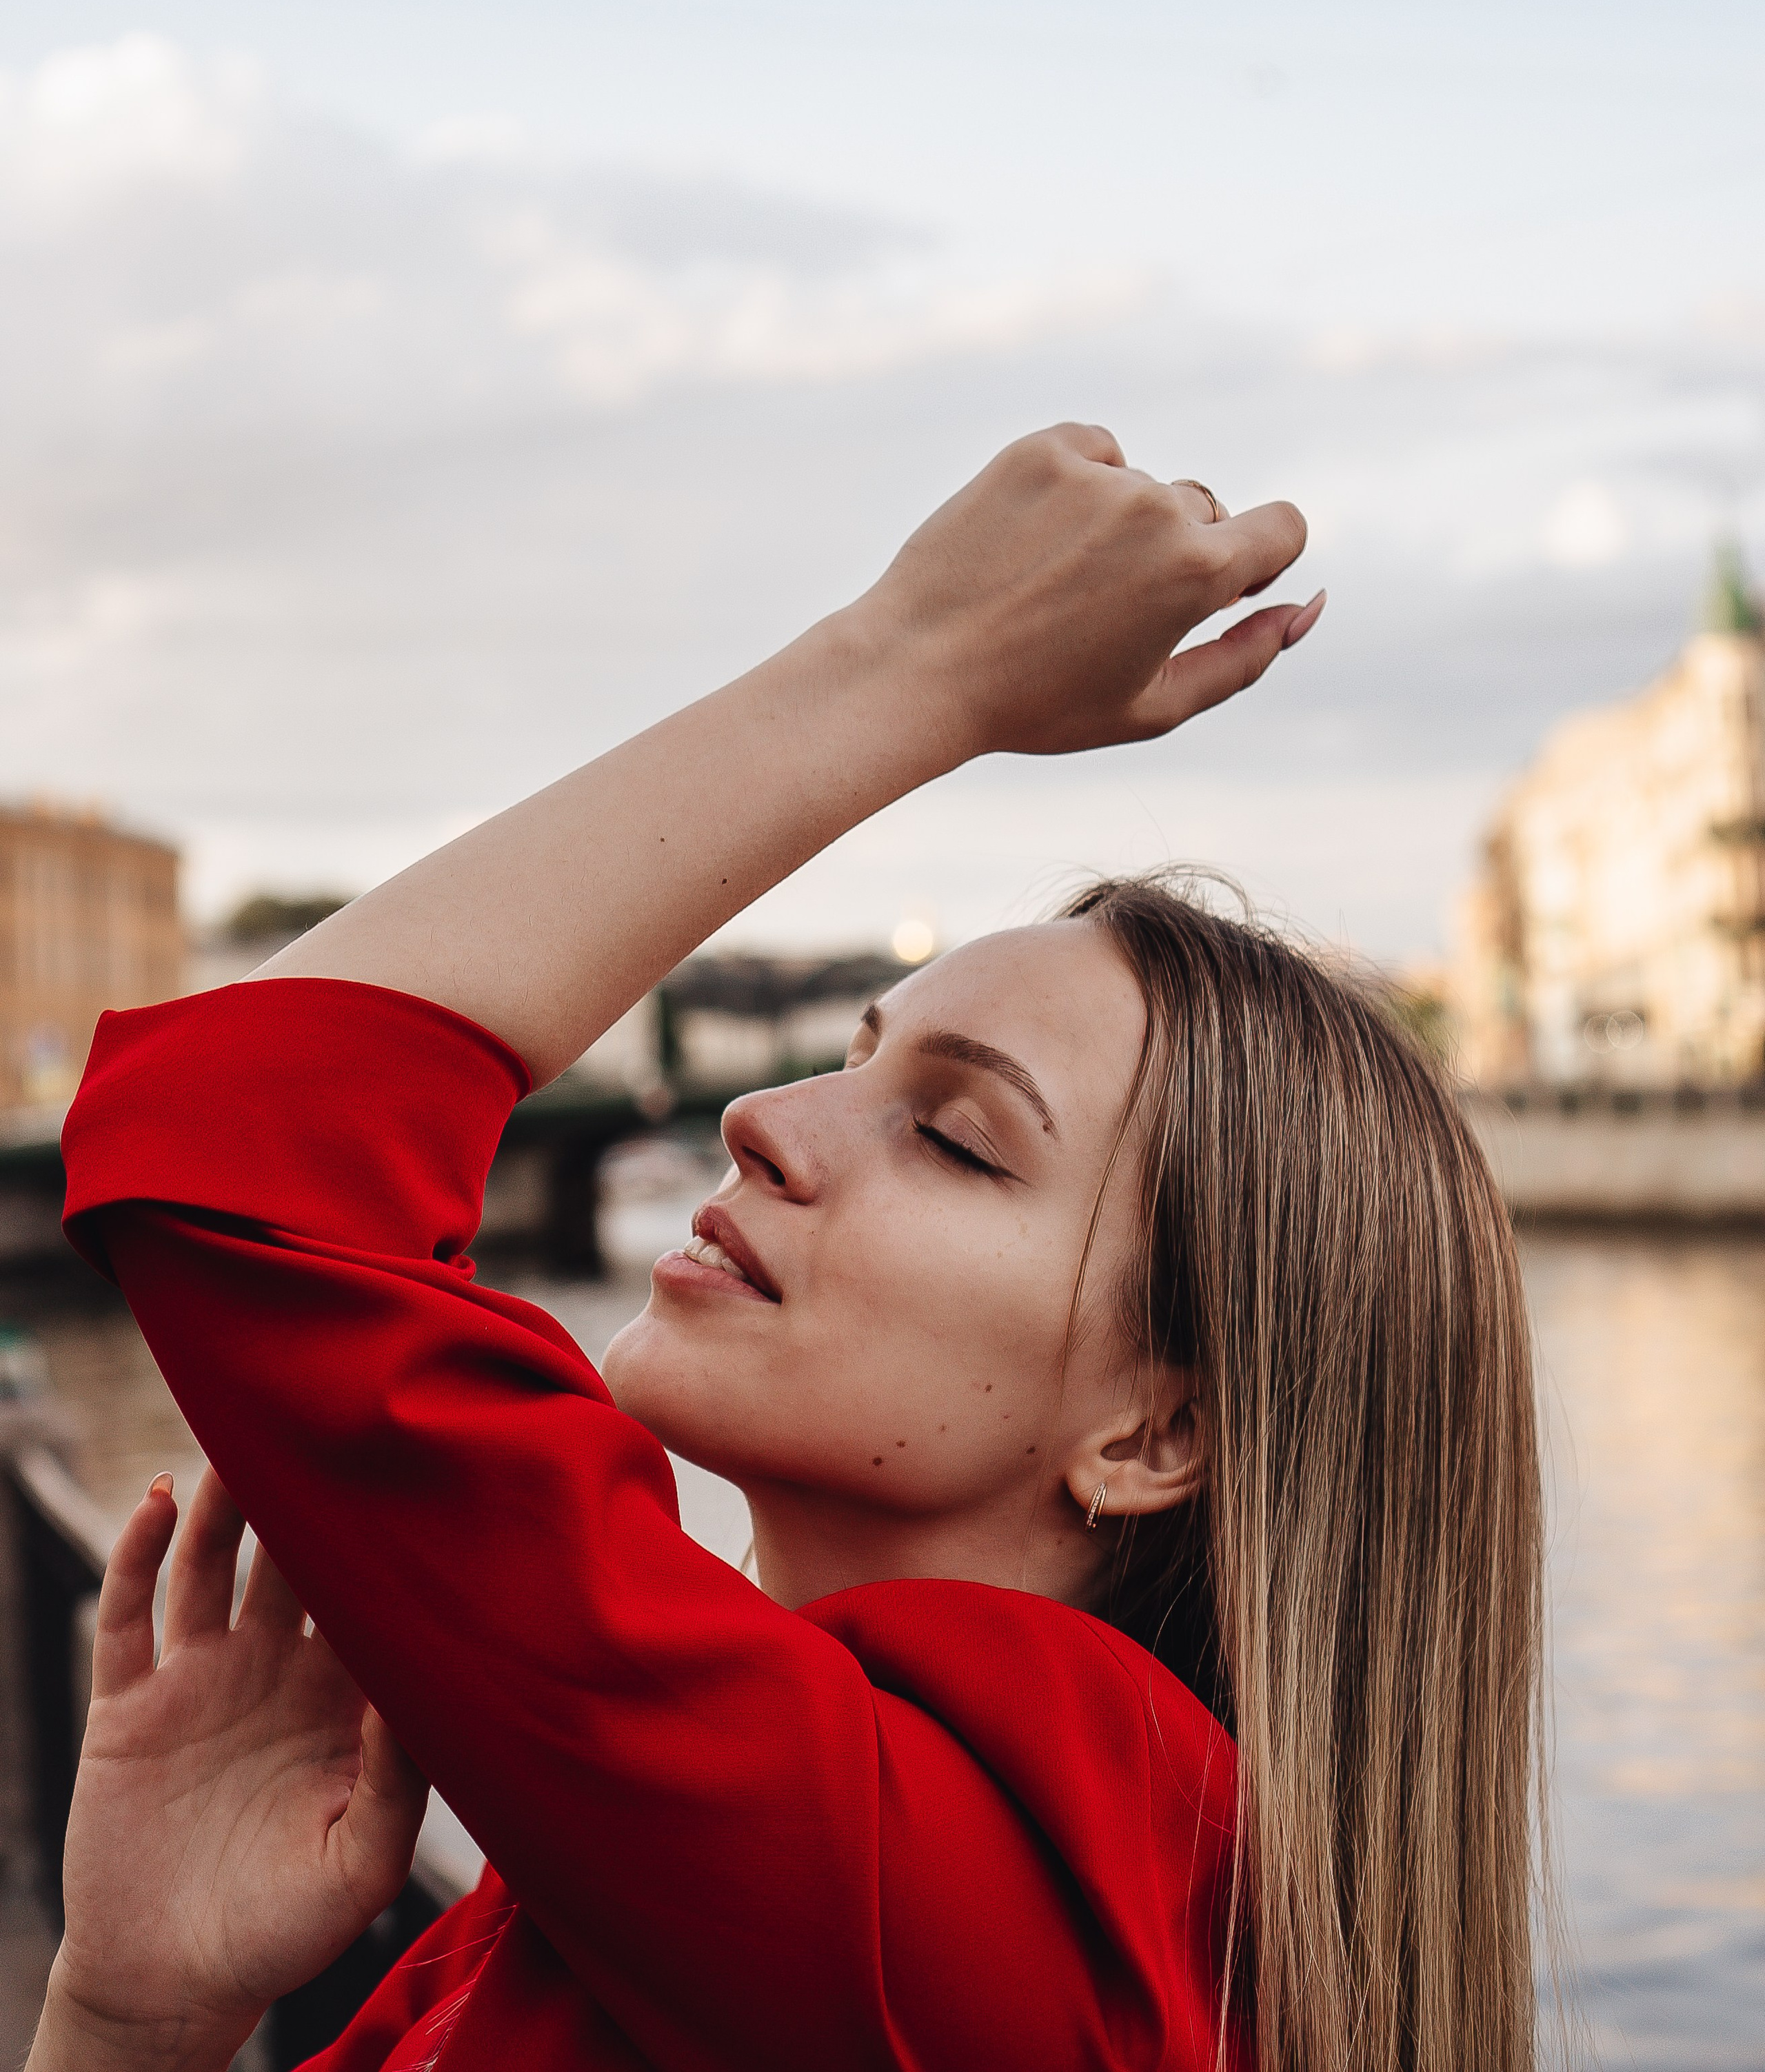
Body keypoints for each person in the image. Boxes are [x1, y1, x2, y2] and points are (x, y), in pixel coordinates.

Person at [29, 425, 1544, 2072]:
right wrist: (135, 2017)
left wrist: (916, 662)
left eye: (954, 1136)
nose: (759, 1116)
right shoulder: (814, 1882)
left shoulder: (939, 1902)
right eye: (850, 1059)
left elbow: (237, 1131)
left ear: (1153, 1433)